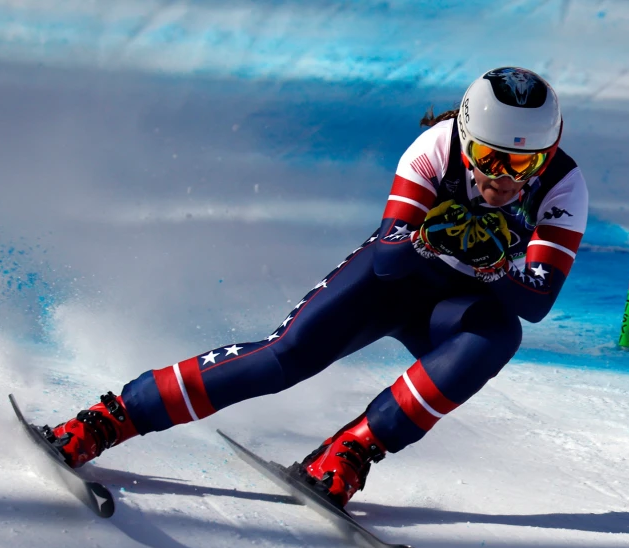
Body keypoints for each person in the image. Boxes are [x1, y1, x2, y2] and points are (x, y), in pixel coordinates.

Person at [42, 67, 589, 508]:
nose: (504, 178)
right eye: (491, 158)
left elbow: (536, 302)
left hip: (457, 308)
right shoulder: (434, 149)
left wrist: (494, 271)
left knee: (501, 333)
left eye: (524, 163)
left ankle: (351, 450)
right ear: (465, 137)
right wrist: (433, 237)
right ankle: (111, 417)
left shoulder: (564, 185)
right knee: (280, 361)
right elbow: (390, 263)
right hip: (390, 283)